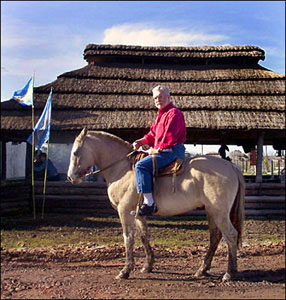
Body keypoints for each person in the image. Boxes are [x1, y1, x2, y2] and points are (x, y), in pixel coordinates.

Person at [132, 85, 187, 216]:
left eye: (160, 97)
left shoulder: (174, 113)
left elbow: (169, 137)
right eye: (155, 98)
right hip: (165, 150)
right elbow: (152, 134)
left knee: (140, 166)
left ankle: (149, 203)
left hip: (171, 151)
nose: (157, 100)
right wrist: (141, 141)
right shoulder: (161, 116)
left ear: (168, 97)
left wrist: (155, 150)